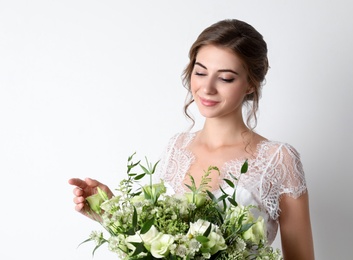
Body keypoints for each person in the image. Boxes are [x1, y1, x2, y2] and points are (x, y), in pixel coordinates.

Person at [69, 19, 315, 259]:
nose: (207, 88)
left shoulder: (278, 159)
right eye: (200, 72)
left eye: (226, 78)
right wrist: (112, 212)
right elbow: (157, 244)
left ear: (250, 84)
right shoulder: (177, 147)